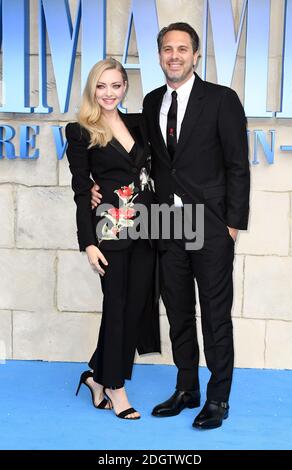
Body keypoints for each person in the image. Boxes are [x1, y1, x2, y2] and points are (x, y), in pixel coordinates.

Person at [91, 23, 250, 429]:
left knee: (216, 314)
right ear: (159, 56)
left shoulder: (221, 99)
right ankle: (187, 388)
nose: (174, 55)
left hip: (209, 225)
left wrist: (232, 225)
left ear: (196, 55)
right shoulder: (152, 100)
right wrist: (96, 186)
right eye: (167, 49)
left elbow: (237, 165)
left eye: (182, 49)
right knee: (178, 310)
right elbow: (130, 153)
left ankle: (217, 398)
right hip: (166, 223)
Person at [66, 58, 160, 420]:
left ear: (125, 87)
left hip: (148, 226)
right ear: (93, 88)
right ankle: (116, 387)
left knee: (134, 307)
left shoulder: (138, 123)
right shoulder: (80, 131)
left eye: (115, 85)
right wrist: (88, 242)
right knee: (116, 306)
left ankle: (95, 375)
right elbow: (80, 191)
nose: (108, 93)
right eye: (101, 86)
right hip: (109, 230)